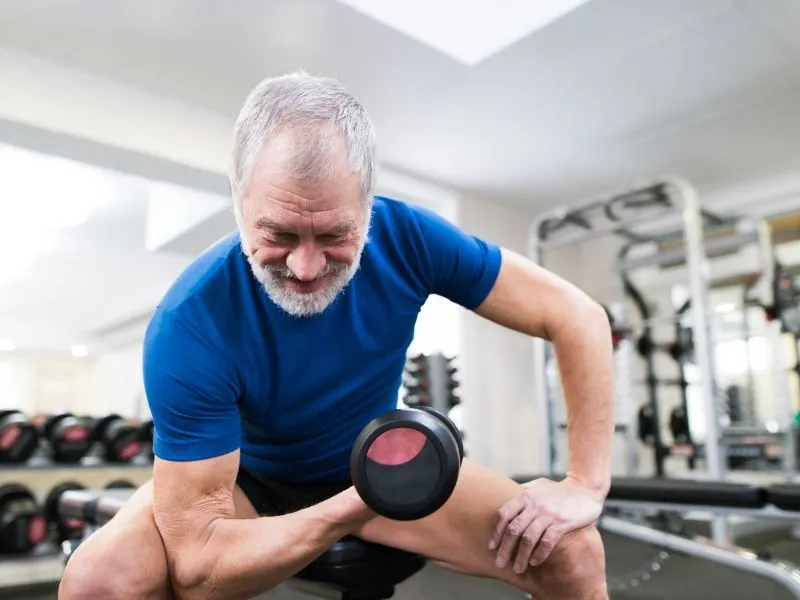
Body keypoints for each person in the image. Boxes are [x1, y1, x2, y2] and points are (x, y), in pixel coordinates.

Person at [59, 71, 614, 600]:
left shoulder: (410, 239)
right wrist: (360, 502)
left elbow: (578, 317)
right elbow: (200, 570)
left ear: (368, 205)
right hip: (243, 480)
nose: (304, 266)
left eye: (333, 234)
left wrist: (584, 484)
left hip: (373, 455)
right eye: (278, 234)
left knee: (572, 551)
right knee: (100, 581)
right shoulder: (189, 323)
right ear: (238, 199)